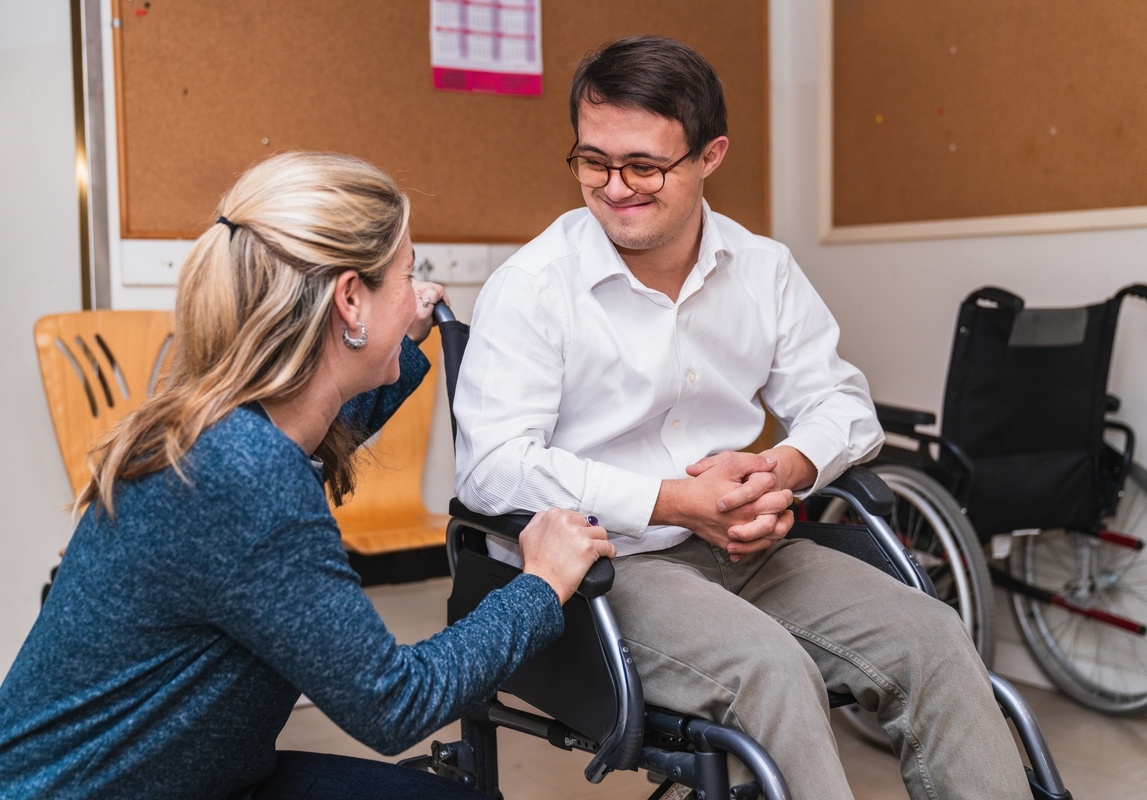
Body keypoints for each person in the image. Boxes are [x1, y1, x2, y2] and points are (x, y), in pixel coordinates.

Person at [453, 36, 1031, 799]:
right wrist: (669, 501)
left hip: (745, 547)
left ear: (709, 155)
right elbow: (490, 466)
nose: (615, 188)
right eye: (593, 161)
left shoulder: (763, 270)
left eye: (645, 166)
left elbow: (840, 403)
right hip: (604, 563)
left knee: (933, 636)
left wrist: (780, 470)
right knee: (770, 668)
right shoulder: (532, 287)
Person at [0, 151, 615, 800]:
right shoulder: (246, 476)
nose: (419, 291)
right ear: (350, 300)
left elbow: (329, 419)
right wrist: (541, 583)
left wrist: (395, 344)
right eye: (411, 273)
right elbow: (395, 702)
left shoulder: (223, 422)